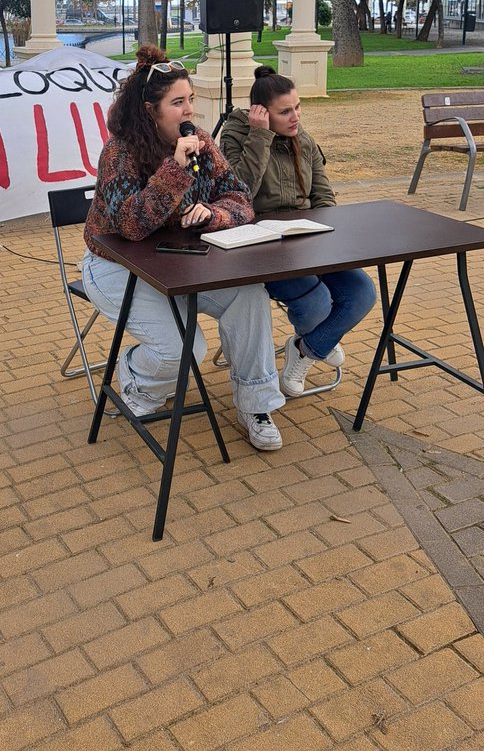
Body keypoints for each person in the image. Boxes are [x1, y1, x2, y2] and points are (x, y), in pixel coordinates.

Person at [82, 45, 284, 450]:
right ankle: (136, 377)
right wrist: (174, 168)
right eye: (177, 103)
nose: (189, 110)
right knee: (186, 349)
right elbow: (131, 225)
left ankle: (256, 405)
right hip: (116, 266)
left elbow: (240, 199)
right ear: (150, 110)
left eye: (189, 99)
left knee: (249, 294)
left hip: (181, 262)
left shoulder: (202, 142)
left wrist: (213, 214)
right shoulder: (119, 153)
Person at [220, 65, 376, 397]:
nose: (295, 117)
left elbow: (323, 194)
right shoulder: (236, 136)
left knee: (362, 292)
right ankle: (322, 338)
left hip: (307, 238)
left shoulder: (302, 139)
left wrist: (327, 234)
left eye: (298, 107)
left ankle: (307, 349)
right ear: (261, 113)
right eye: (285, 111)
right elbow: (238, 193)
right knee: (317, 304)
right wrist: (260, 136)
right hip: (260, 246)